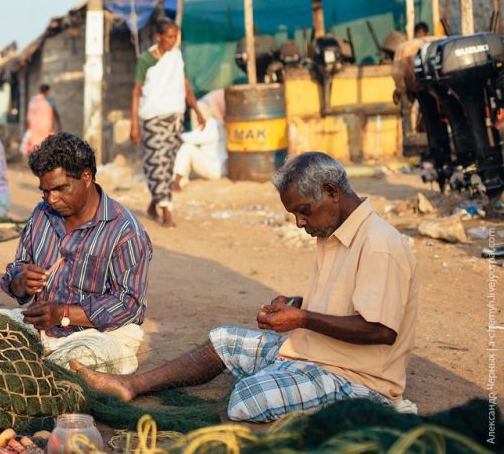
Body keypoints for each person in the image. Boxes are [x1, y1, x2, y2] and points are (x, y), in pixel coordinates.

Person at [73, 152, 419, 422]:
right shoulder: (332, 231)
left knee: (246, 400)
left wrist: (301, 319)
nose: (300, 223)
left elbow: (380, 330)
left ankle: (351, 404)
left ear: (331, 192)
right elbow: (342, 305)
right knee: (222, 340)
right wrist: (296, 304)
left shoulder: (379, 244)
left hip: (359, 379)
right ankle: (130, 386)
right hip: (316, 352)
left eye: (303, 211)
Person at [0, 133, 152, 374]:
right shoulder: (42, 214)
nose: (52, 199)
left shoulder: (126, 232)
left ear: (87, 177)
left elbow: (128, 305)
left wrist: (62, 314)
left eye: (60, 189)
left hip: (101, 336)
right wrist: (21, 282)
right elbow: (16, 273)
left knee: (71, 365)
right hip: (41, 330)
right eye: (45, 191)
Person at [130, 18, 205, 227]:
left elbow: (186, 86)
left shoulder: (177, 58)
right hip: (153, 118)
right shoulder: (145, 59)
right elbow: (136, 92)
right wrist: (133, 124)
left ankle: (155, 203)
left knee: (168, 163)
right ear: (159, 37)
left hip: (175, 117)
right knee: (157, 164)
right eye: (169, 37)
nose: (172, 42)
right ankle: (165, 210)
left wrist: (197, 111)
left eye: (175, 37)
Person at [172, 97, 228, 191]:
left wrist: (173, 134)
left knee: (187, 148)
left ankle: (176, 181)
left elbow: (188, 138)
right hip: (223, 168)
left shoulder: (212, 124)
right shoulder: (223, 126)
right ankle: (182, 178)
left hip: (213, 170)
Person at [23, 84, 61, 156]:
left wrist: (28, 127)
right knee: (46, 147)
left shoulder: (33, 100)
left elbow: (28, 116)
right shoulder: (48, 100)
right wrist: (59, 124)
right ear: (47, 91)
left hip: (34, 128)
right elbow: (55, 113)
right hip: (46, 129)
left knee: (36, 147)